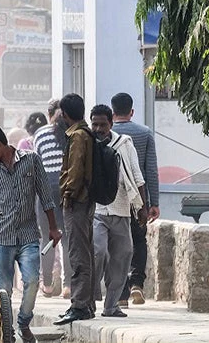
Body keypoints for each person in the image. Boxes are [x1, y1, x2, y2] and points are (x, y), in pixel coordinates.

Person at [0, 124, 61, 343]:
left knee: (33, 281)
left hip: (28, 235)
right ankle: (7, 331)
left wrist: (53, 228)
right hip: (1, 237)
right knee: (4, 291)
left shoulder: (32, 160)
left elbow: (45, 195)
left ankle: (24, 323)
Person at [89, 105, 145, 318]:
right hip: (97, 211)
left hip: (121, 209)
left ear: (111, 123)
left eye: (103, 124)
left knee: (123, 257)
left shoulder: (124, 144)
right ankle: (90, 298)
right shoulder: (87, 144)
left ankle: (111, 305)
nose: (98, 128)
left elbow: (138, 176)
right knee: (99, 251)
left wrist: (143, 207)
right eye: (95, 124)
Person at [110, 92, 160, 306]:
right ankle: (137, 283)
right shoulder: (144, 133)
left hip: (113, 199)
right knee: (139, 240)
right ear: (132, 112)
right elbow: (150, 170)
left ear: (112, 113)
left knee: (117, 245)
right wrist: (153, 202)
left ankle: (121, 293)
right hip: (139, 198)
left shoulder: (107, 134)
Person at [54, 93, 95, 325]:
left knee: (78, 255)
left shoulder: (78, 136)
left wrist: (68, 194)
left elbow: (76, 169)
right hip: (84, 200)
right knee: (85, 252)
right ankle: (86, 304)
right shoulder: (85, 133)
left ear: (65, 115)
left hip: (77, 201)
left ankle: (79, 305)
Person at [32, 99, 68, 298]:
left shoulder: (40, 134)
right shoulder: (71, 133)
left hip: (46, 192)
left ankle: (46, 285)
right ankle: (69, 285)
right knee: (68, 238)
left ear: (49, 114)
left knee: (47, 238)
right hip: (67, 190)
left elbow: (36, 165)